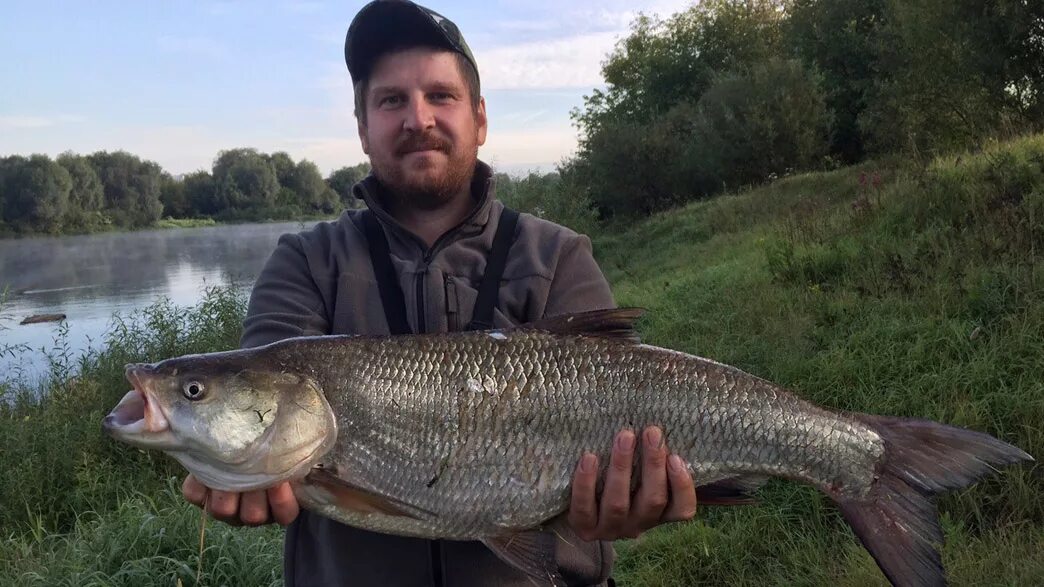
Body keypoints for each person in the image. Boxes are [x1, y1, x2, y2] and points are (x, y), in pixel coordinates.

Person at [181, 1, 697, 584]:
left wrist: (632, 499)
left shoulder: (558, 257)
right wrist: (241, 468)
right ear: (362, 127)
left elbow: (621, 448)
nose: (417, 118)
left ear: (480, 119)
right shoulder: (304, 261)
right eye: (391, 100)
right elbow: (262, 397)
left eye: (440, 96)